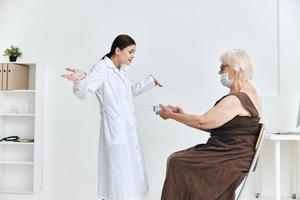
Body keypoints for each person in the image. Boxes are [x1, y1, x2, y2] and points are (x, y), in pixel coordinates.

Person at [62, 34, 162, 200]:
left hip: (127, 128)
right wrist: (81, 79)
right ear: (117, 50)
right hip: (114, 128)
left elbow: (126, 92)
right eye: (130, 52)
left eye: (134, 52)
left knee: (129, 172)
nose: (132, 56)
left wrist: (149, 81)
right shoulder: (102, 68)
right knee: (117, 174)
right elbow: (85, 92)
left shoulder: (122, 69)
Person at [157, 49, 261, 200]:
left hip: (231, 156)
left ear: (235, 68)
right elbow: (219, 126)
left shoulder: (236, 99)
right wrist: (181, 114)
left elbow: (203, 122)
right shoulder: (250, 91)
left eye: (222, 68)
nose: (220, 73)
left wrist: (172, 115)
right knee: (178, 159)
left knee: (177, 161)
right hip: (233, 152)